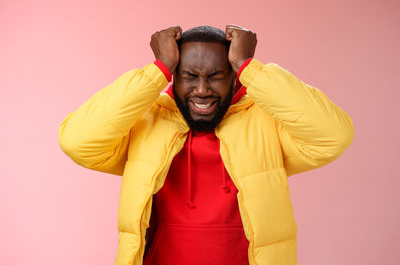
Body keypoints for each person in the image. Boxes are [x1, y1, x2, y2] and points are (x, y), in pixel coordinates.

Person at [58, 24, 354, 265]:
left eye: (215, 77)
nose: (202, 90)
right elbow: (77, 140)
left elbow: (333, 134)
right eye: (189, 76)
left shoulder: (264, 123)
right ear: (174, 77)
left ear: (234, 79)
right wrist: (156, 70)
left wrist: (249, 67)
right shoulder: (148, 122)